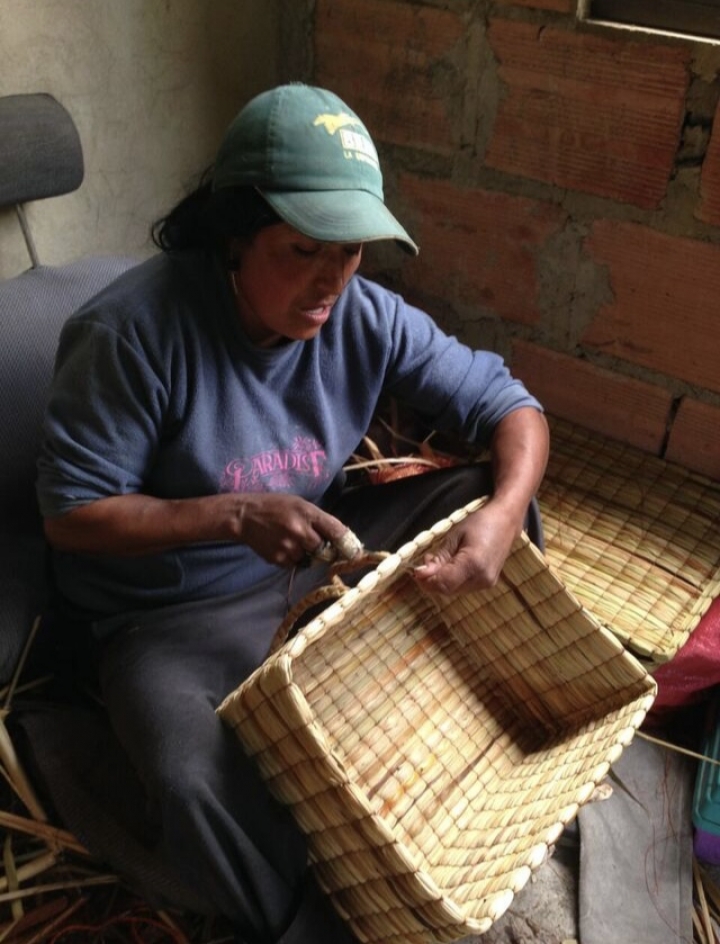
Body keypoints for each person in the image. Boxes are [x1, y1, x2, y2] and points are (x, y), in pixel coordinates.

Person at [36, 83, 549, 943]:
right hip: (172, 613)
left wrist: (500, 514)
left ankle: (459, 726)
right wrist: (234, 516)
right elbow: (72, 515)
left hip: (314, 559)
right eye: (304, 250)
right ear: (232, 235)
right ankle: (318, 917)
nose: (331, 281)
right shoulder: (132, 335)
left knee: (484, 496)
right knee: (192, 779)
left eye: (350, 252)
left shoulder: (362, 315)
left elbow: (514, 409)